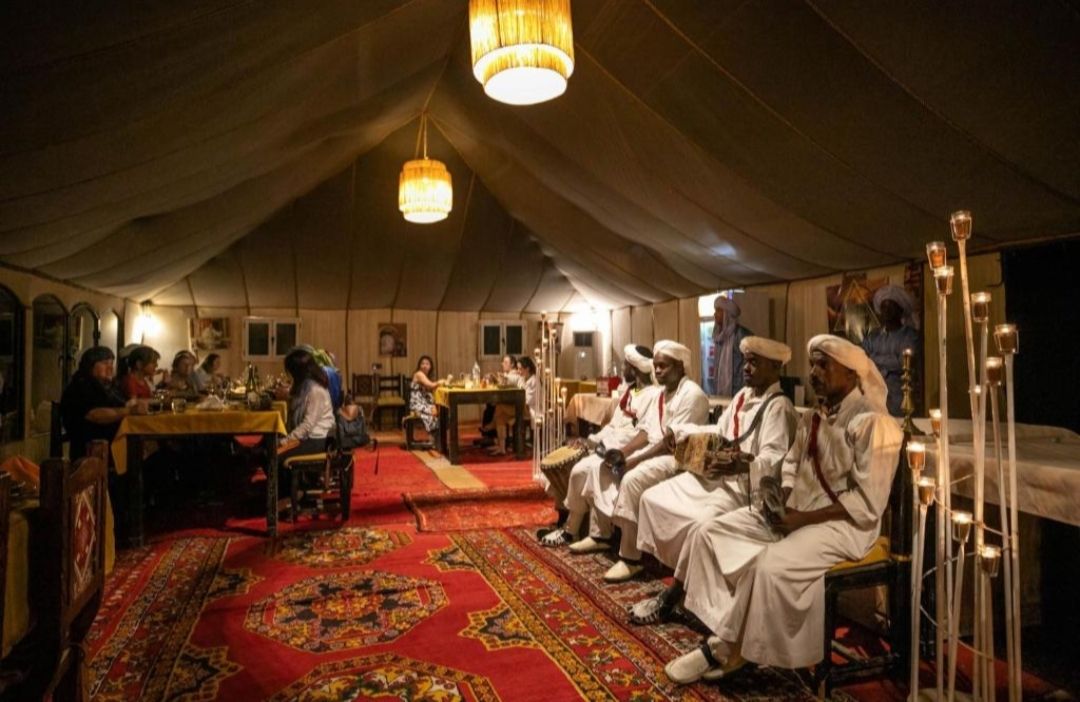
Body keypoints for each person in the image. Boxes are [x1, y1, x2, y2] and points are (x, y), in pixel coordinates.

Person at [664, 334, 902, 683]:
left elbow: (867, 502)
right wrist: (782, 499)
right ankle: (726, 628)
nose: (814, 373)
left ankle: (727, 649)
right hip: (797, 513)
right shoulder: (814, 416)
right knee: (708, 534)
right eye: (813, 365)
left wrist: (802, 519)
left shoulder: (872, 422)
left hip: (845, 526)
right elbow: (791, 465)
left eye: (824, 365)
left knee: (767, 565)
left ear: (851, 374)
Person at [630, 337, 798, 624]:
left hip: (743, 490)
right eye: (745, 361)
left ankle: (677, 593)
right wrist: (681, 432)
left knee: (699, 524)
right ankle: (684, 577)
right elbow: (719, 429)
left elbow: (774, 459)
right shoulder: (742, 396)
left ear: (775, 368)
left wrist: (742, 464)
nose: (746, 368)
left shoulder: (779, 407)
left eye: (754, 363)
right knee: (652, 498)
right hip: (718, 479)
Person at [571, 340, 709, 583]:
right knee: (603, 467)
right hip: (654, 450)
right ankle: (601, 535)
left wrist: (634, 462)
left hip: (677, 458)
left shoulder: (692, 394)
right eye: (656, 366)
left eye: (663, 366)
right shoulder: (661, 394)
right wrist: (623, 453)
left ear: (680, 366)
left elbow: (671, 443)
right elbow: (646, 432)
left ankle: (631, 558)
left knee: (632, 479)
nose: (658, 371)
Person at [539, 344, 658, 547]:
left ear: (635, 368)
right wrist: (591, 440)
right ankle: (571, 527)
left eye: (625, 365)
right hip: (608, 447)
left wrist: (605, 446)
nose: (622, 369)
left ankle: (590, 533)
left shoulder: (653, 395)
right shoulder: (631, 392)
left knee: (584, 470)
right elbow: (613, 426)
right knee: (577, 470)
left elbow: (639, 434)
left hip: (627, 451)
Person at [61, 346, 145, 460]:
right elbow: (94, 414)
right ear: (90, 365)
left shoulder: (107, 386)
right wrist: (129, 411)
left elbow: (121, 404)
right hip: (92, 450)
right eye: (105, 363)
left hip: (115, 443)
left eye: (111, 363)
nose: (110, 367)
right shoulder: (81, 386)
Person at [862, 284, 920, 416]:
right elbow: (862, 359)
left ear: (900, 310)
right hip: (873, 399)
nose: (886, 311)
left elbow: (902, 363)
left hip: (899, 400)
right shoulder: (873, 336)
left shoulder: (909, 335)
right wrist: (890, 360)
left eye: (890, 307)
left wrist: (873, 358)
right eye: (883, 307)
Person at [279, 348, 336, 463]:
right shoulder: (305, 385)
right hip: (306, 437)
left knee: (276, 456)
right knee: (269, 447)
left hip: (316, 439)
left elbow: (307, 425)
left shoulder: (315, 390)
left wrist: (286, 441)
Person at [489, 356, 538, 457]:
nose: (518, 371)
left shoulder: (534, 380)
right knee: (500, 415)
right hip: (521, 406)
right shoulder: (524, 378)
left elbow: (527, 401)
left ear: (527, 369)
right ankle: (501, 447)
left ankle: (492, 427)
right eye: (518, 369)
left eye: (520, 369)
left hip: (528, 409)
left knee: (500, 408)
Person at [710, 296, 752, 397]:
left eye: (718, 311)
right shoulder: (719, 337)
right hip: (720, 391)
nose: (715, 314)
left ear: (727, 314)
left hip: (738, 391)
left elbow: (749, 364)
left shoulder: (741, 334)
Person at [410, 355, 446, 449]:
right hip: (417, 403)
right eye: (422, 363)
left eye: (427, 364)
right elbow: (431, 385)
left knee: (441, 410)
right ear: (419, 365)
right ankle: (436, 440)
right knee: (435, 412)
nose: (425, 366)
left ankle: (438, 440)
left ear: (430, 366)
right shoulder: (419, 374)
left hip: (423, 402)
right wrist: (440, 382)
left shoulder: (426, 376)